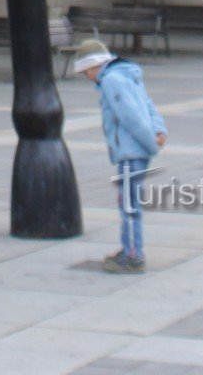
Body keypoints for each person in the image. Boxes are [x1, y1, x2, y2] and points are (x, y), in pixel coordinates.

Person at [74, 35, 166, 273]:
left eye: (86, 72)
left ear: (94, 65)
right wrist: (158, 130)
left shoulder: (111, 81)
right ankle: (129, 248)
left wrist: (150, 143)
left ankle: (133, 255)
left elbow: (131, 117)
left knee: (129, 204)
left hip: (131, 150)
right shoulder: (127, 75)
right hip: (136, 149)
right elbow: (147, 104)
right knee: (128, 201)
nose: (87, 78)